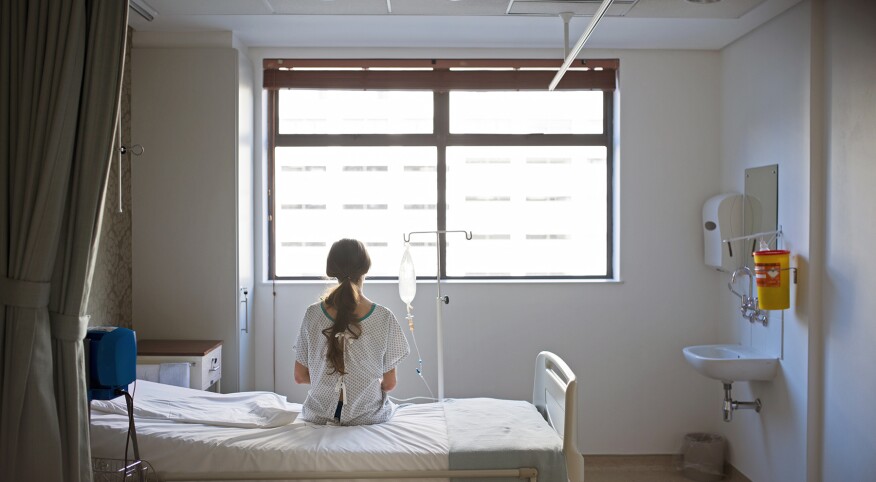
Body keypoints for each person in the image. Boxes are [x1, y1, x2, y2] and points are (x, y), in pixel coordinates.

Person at [293, 238, 410, 425]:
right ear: (365, 269)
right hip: (367, 416)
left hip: (318, 416)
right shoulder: (384, 317)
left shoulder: (312, 314)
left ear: (332, 269)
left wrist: (325, 383)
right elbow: (389, 384)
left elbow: (300, 376)